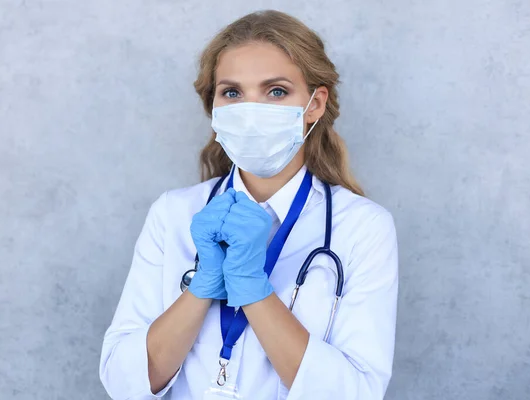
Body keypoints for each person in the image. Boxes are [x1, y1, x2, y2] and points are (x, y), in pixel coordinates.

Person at [99, 10, 398, 400]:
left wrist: (254, 290)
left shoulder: (362, 227)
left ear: (314, 104)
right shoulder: (173, 214)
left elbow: (356, 392)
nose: (251, 111)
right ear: (215, 108)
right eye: (232, 93)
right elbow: (124, 381)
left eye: (276, 91)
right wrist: (202, 286)